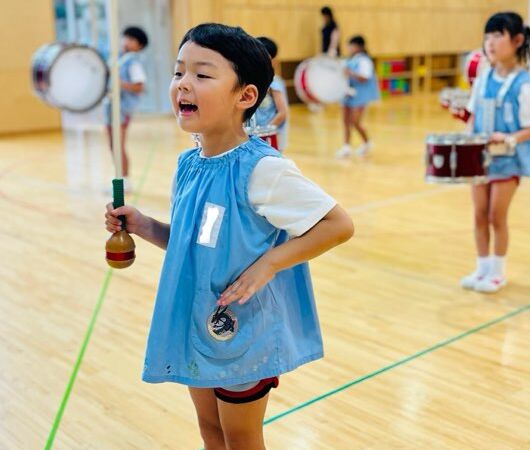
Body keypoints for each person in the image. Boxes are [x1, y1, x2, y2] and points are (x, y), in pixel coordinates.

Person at [104, 23, 354, 449]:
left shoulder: (262, 169)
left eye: (202, 75)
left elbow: (338, 225)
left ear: (246, 96)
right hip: (194, 320)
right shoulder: (190, 163)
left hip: (242, 330)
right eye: (179, 72)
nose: (183, 84)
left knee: (240, 436)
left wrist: (269, 263)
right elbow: (193, 245)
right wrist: (144, 225)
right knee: (210, 429)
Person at [462, 12, 530, 293]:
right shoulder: (484, 78)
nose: (490, 42)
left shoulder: (526, 86)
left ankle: (497, 271)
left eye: (498, 35)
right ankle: (482, 267)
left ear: (518, 40)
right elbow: (472, 116)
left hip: (507, 161)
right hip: (480, 160)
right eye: (487, 36)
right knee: (478, 214)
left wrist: (510, 139)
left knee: (496, 216)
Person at [105, 26, 149, 191]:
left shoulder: (133, 62)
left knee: (118, 144)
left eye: (132, 40)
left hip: (122, 109)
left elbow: (139, 86)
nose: (126, 42)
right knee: (112, 145)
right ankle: (120, 178)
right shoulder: (117, 59)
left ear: (140, 46)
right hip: (110, 107)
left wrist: (120, 84)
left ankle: (125, 180)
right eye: (125, 38)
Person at [335, 35, 380, 158]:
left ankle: (367, 142)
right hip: (347, 94)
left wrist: (350, 73)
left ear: (359, 47)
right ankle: (346, 147)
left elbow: (364, 78)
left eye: (352, 45)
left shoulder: (365, 61)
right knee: (345, 121)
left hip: (360, 96)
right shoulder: (348, 60)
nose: (349, 48)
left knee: (355, 121)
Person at [254, 36, 289, 152]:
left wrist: (264, 132)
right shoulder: (257, 81)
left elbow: (282, 113)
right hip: (260, 135)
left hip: (272, 135)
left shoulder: (274, 83)